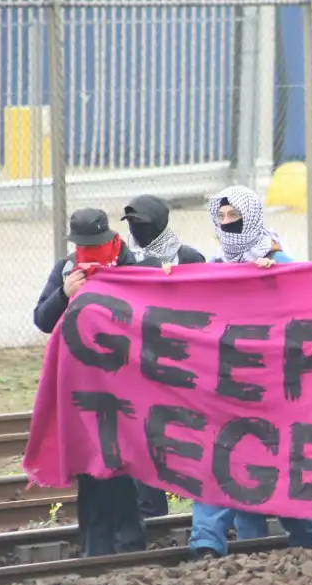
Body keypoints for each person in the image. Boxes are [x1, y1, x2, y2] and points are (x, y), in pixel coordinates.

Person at [188, 185, 312, 558]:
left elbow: (309, 309)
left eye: (236, 216)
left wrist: (275, 280)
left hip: (274, 386)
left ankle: (307, 537)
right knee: (221, 459)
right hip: (227, 383)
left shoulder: (280, 262)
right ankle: (208, 541)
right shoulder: (213, 269)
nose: (229, 223)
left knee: (278, 462)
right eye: (223, 217)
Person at [33, 207, 154, 557]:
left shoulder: (131, 265)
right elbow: (42, 319)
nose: (91, 251)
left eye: (97, 243)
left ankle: (130, 543)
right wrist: (64, 293)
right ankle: (95, 547)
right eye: (84, 245)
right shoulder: (66, 269)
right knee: (90, 465)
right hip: (82, 386)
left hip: (126, 382)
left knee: (121, 462)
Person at [118, 195, 206, 518]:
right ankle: (151, 514)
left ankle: (205, 508)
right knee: (145, 441)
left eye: (142, 224)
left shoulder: (189, 258)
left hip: (183, 367)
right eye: (131, 225)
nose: (136, 231)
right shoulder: (123, 260)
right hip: (140, 367)